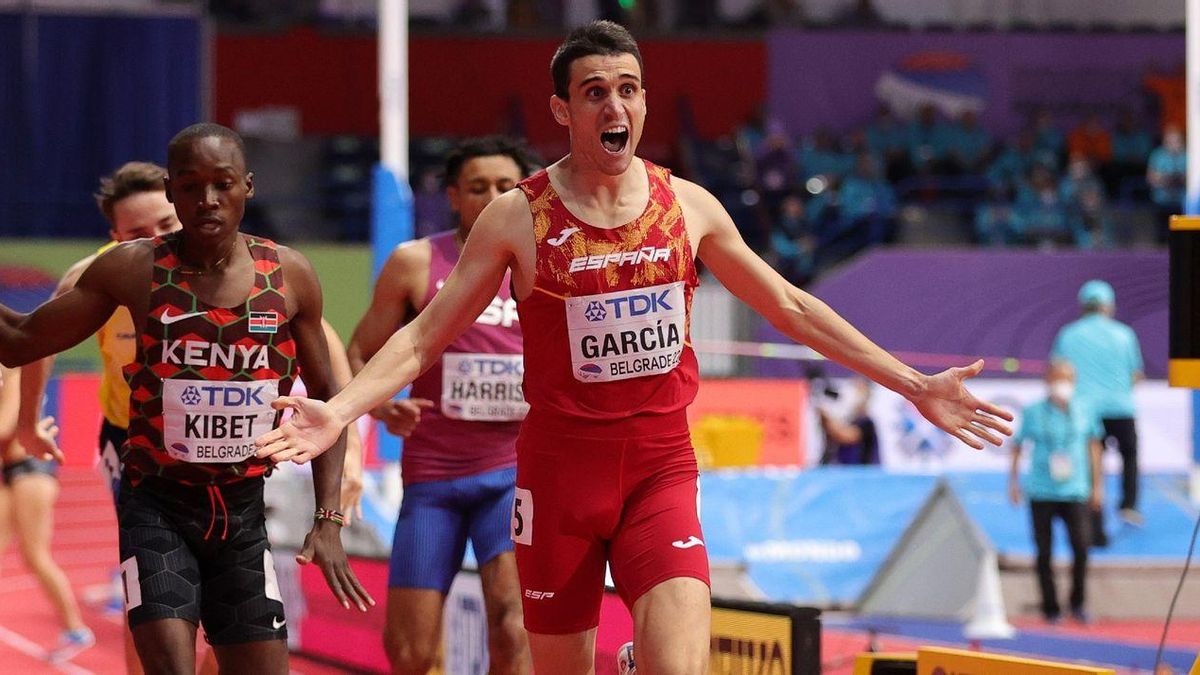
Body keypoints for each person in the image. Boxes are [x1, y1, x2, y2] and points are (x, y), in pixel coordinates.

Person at [256, 22, 1013, 675]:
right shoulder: (518, 219)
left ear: (645, 101)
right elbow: (423, 335)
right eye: (594, 92)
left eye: (629, 89)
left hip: (659, 471)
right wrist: (343, 412)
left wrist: (911, 382)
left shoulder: (687, 205)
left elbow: (789, 304)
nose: (615, 105)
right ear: (563, 108)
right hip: (556, 483)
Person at [0, 123, 372, 674]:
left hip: (243, 513)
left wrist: (329, 519)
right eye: (192, 185)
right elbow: (22, 343)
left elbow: (327, 399)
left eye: (223, 183)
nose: (208, 200)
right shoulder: (132, 268)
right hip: (156, 505)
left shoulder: (288, 274)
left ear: (248, 185)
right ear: (173, 189)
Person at [347, 136, 538, 674]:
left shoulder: (545, 264)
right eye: (478, 188)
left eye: (506, 186)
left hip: (515, 475)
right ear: (454, 195)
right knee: (409, 650)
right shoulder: (415, 263)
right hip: (433, 478)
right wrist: (382, 406)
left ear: (525, 192)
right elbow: (359, 351)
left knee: (514, 623)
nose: (492, 196)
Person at [0, 366, 94, 661]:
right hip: (9, 473)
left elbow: (4, 428)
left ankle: (76, 629)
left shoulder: (11, 370)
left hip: (31, 470)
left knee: (36, 555)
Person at [1008, 361, 1103, 623]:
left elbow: (1094, 447)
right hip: (1041, 491)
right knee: (1044, 551)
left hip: (1075, 490)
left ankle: (1078, 603)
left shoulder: (1085, 410)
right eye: (1059, 378)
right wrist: (1013, 483)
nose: (1063, 384)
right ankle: (1050, 607)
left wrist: (1098, 486)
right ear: (1048, 380)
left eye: (1068, 378)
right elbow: (1017, 446)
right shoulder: (1033, 411)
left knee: (1081, 547)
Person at [1051, 280, 1144, 545]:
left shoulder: (1068, 334)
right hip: (1121, 409)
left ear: (1083, 306)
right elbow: (1135, 374)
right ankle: (1128, 504)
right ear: (1108, 306)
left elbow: (1058, 374)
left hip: (1085, 413)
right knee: (1130, 456)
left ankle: (1095, 529)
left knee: (1092, 469)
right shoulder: (1124, 334)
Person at [818, 377, 879, 465]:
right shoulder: (849, 418)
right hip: (844, 469)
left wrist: (825, 415)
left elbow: (846, 436)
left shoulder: (866, 421)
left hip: (862, 471)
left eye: (858, 391)